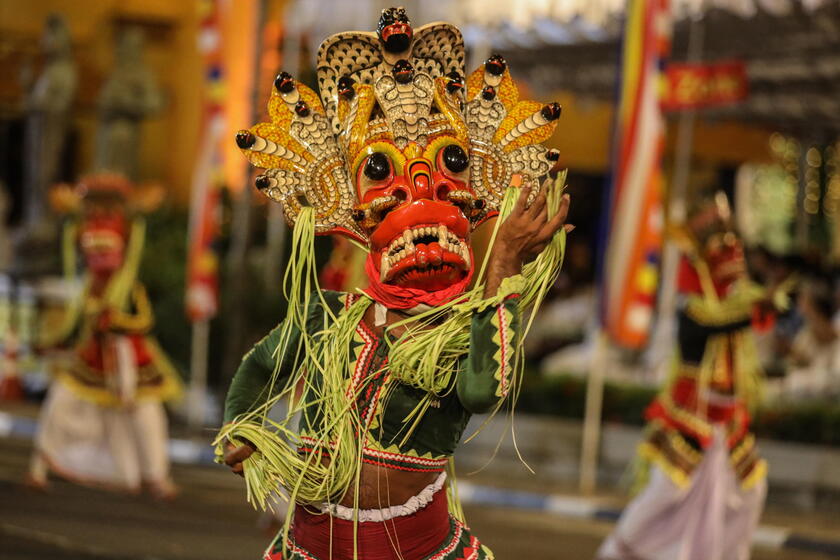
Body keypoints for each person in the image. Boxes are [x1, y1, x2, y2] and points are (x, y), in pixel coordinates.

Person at [218, 7, 570, 559]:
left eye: (445, 170)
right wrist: (241, 425)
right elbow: (262, 365)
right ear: (353, 211)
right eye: (389, 182)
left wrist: (502, 267)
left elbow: (481, 392)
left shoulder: (462, 329)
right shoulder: (330, 317)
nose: (423, 201)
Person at [598, 194, 786, 560]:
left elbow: (744, 314)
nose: (734, 264)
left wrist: (758, 305)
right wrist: (754, 309)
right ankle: (619, 553)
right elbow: (717, 322)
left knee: (752, 489)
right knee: (667, 490)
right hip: (690, 417)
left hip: (727, 422)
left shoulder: (736, 305)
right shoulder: (694, 313)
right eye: (723, 255)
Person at [27, 173, 182, 497]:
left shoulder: (129, 284)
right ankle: (39, 466)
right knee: (60, 404)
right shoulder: (87, 285)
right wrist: (53, 341)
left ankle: (156, 476)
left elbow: (144, 321)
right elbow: (72, 323)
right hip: (92, 357)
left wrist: (116, 322)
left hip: (132, 359)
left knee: (146, 415)